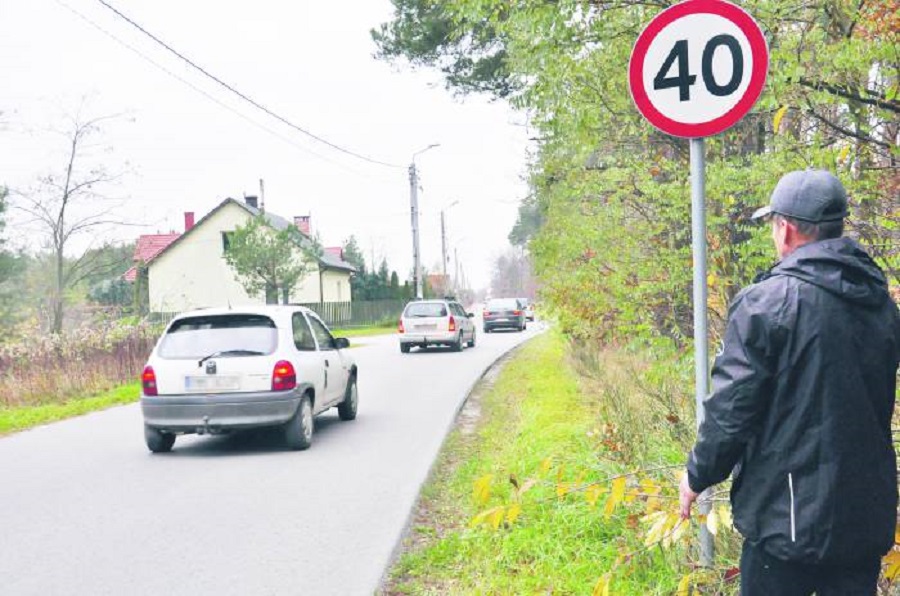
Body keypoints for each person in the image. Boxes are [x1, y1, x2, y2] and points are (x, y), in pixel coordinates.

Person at [678, 170, 900, 594]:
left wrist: (697, 475)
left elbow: (731, 412)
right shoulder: (878, 303)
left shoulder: (767, 303)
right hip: (862, 519)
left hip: (787, 523)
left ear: (786, 228)